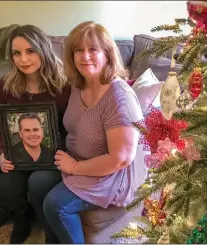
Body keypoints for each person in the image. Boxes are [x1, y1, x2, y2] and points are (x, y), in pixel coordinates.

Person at [40, 21, 147, 244]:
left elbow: (120, 160)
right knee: (38, 182)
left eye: (92, 49)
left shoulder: (119, 97)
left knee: (56, 205)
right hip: (80, 161)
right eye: (78, 50)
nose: (84, 56)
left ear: (107, 54)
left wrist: (75, 167)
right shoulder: (79, 83)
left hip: (111, 175)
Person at [0, 25, 71, 244]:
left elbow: (72, 127)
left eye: (30, 51)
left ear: (43, 49)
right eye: (17, 53)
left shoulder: (64, 86)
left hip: (50, 157)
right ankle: (18, 212)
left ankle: (23, 214)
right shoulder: (5, 85)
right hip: (16, 154)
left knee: (32, 183)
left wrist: (58, 150)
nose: (23, 59)